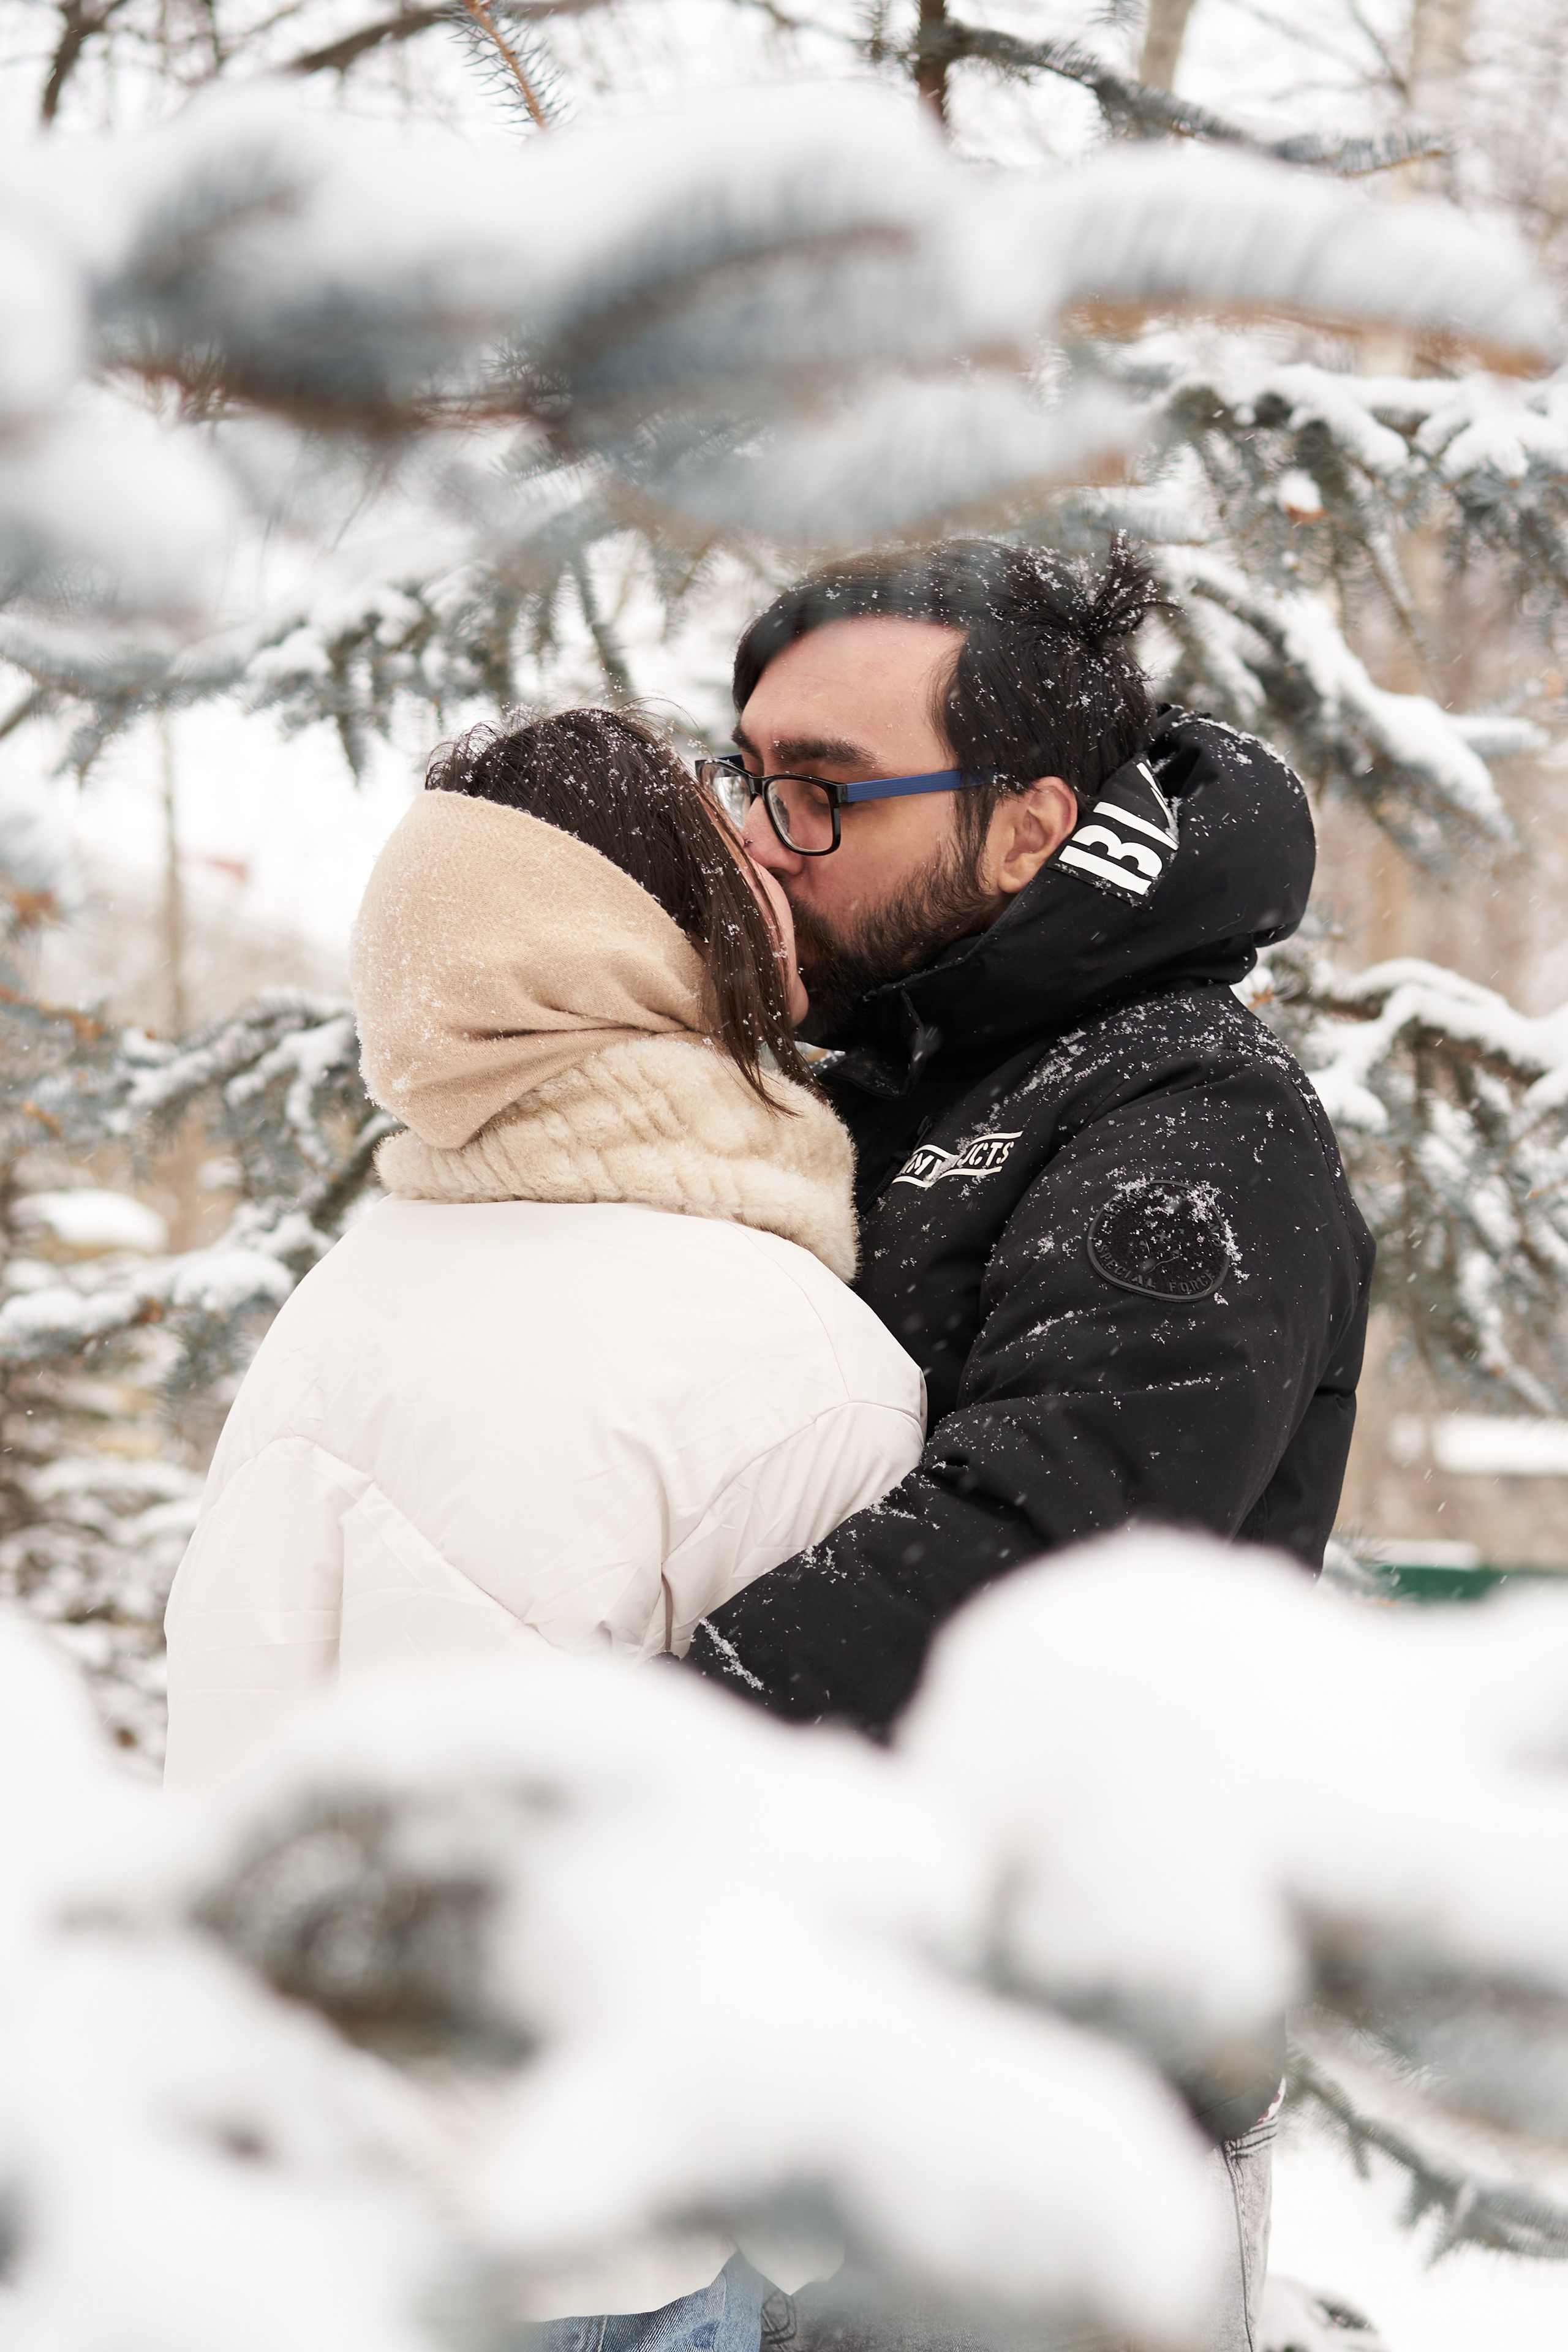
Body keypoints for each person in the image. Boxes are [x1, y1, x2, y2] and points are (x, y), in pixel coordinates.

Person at [680, 536, 1376, 2352]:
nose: (761, 834)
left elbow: (1049, 1528)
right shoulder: (879, 1084)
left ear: (1025, 820)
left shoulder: (1189, 1109)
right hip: (833, 2075)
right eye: (749, 775)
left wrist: (639, 1736)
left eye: (826, 791)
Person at [162, 707, 924, 2347]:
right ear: (657, 943)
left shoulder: (348, 1299)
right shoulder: (800, 1353)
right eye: (738, 861)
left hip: (286, 2224)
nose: (784, 889)